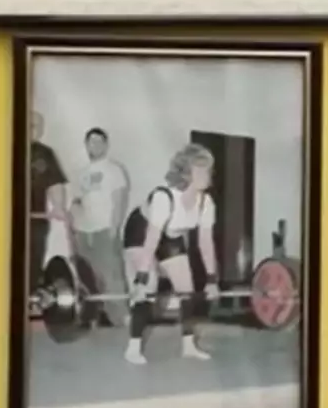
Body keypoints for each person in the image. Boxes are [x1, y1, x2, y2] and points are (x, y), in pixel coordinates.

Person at [120, 144, 220, 366]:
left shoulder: (206, 203)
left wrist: (212, 280)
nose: (207, 174)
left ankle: (189, 346)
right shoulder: (163, 197)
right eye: (200, 169)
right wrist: (141, 279)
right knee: (148, 288)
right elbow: (151, 240)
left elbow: (205, 243)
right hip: (141, 232)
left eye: (208, 169)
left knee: (187, 289)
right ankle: (133, 348)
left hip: (172, 236)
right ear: (186, 173)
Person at [70, 127, 130, 327]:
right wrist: (75, 226)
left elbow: (119, 199)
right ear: (86, 145)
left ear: (105, 145)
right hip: (83, 232)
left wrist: (115, 226)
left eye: (99, 141)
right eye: (91, 142)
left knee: (111, 274)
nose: (95, 145)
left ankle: (122, 317)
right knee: (89, 276)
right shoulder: (82, 172)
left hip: (105, 229)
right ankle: (96, 316)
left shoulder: (114, 170)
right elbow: (77, 201)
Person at [29, 112, 70, 294]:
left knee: (33, 261)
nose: (34, 130)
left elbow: (55, 184)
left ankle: (29, 296)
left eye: (38, 127)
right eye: (31, 125)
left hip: (35, 220)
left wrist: (59, 207)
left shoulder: (44, 154)